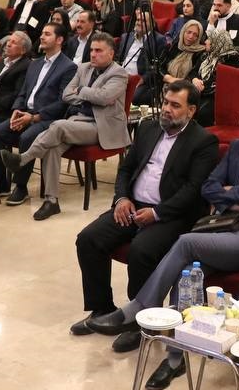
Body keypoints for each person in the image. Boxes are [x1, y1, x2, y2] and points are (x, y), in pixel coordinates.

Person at [87, 94, 239, 381]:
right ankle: (176, 357)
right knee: (186, 275)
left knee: (186, 242)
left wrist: (230, 194)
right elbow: (209, 187)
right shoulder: (238, 148)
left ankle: (138, 308)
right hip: (221, 228)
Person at [69, 80, 219, 353]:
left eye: (176, 105)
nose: (167, 109)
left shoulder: (203, 141)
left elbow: (193, 190)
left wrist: (158, 212)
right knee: (89, 239)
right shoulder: (148, 128)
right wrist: (122, 198)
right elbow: (126, 170)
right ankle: (102, 308)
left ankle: (140, 322)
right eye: (165, 102)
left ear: (191, 110)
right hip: (133, 205)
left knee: (141, 250)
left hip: (171, 214)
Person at [0, 34, 129, 221]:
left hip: (103, 127)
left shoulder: (119, 73)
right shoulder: (83, 67)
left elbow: (105, 97)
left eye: (98, 51)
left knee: (57, 126)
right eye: (92, 50)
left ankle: (23, 159)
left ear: (111, 53)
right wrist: (91, 96)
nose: (93, 54)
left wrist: (82, 91)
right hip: (78, 120)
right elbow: (67, 95)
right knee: (53, 147)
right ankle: (51, 201)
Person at [0, 22, 76, 204]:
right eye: (42, 33)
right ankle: (1, 183)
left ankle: (21, 187)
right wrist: (16, 110)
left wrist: (34, 117)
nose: (41, 37)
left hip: (47, 118)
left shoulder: (68, 67)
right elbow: (23, 92)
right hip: (26, 113)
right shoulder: (35, 64)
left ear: (59, 40)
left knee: (27, 137)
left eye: (47, 34)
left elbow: (62, 102)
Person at [118, 14, 167, 105]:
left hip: (141, 80)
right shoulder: (126, 37)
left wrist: (143, 79)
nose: (139, 23)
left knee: (133, 97)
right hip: (121, 76)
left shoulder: (158, 40)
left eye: (143, 21)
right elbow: (118, 59)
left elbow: (158, 67)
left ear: (152, 24)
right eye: (138, 20)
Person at [160, 20, 207, 90]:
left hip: (186, 88)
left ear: (199, 37)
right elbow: (159, 67)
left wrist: (194, 80)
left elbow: (195, 72)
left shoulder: (200, 52)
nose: (191, 36)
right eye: (189, 32)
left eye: (195, 35)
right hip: (166, 84)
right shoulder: (172, 46)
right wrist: (170, 79)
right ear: (183, 31)